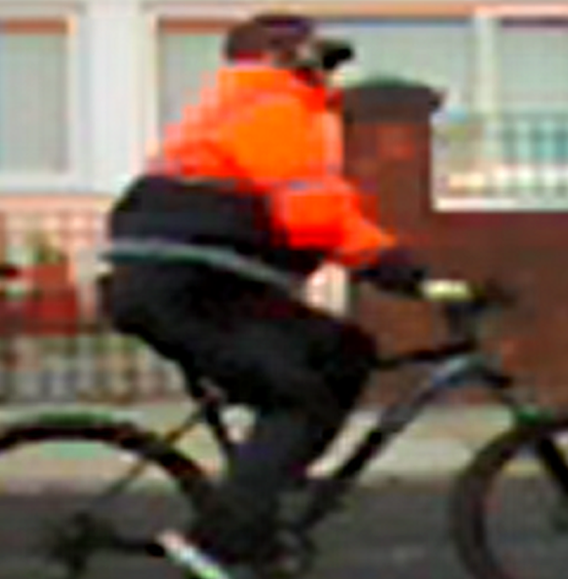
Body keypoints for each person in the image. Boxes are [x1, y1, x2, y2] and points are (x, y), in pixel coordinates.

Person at [102, 11, 480, 577]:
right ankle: (221, 541)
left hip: (197, 281)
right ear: (286, 56)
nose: (327, 76)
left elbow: (319, 218)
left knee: (346, 349)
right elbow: (317, 220)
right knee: (296, 399)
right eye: (320, 59)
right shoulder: (272, 108)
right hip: (192, 287)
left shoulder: (245, 104)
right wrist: (410, 276)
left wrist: (398, 271)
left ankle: (268, 489)